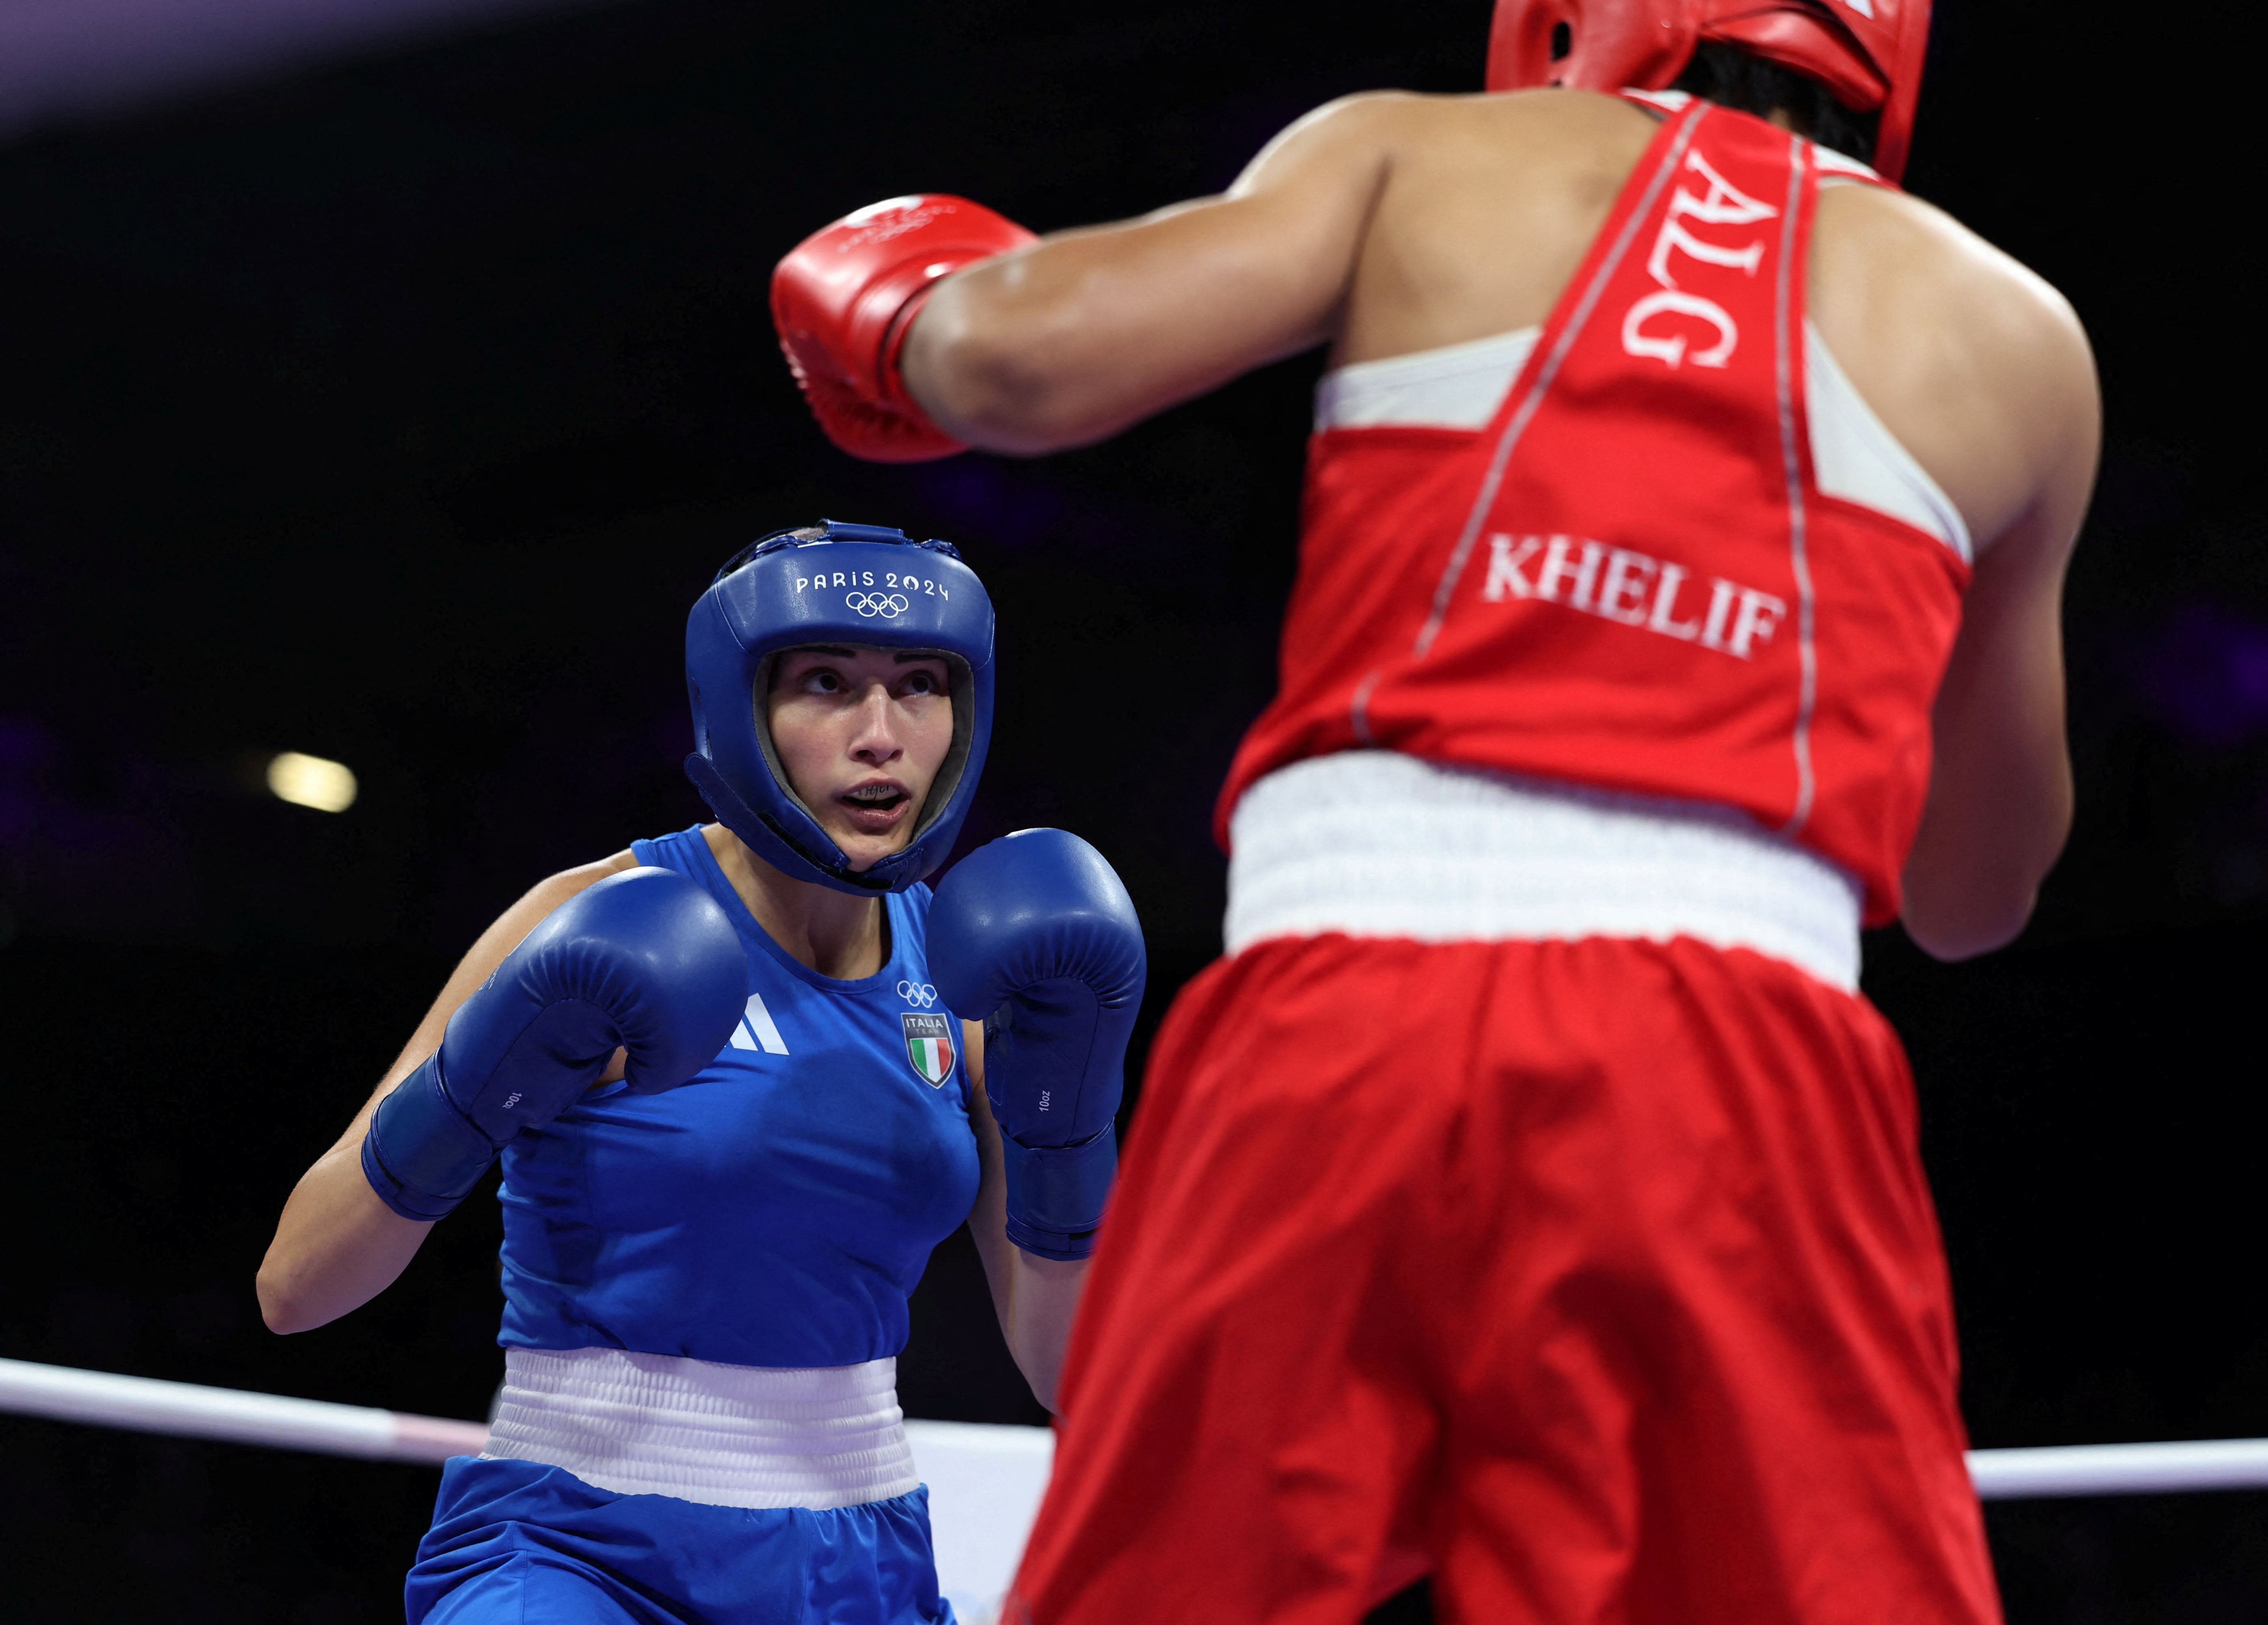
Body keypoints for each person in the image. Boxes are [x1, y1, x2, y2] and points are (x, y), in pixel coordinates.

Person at [768, 0, 2098, 1618]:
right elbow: (1976, 894)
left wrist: (908, 308)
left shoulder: (1421, 152)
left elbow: (1017, 362)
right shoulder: (2021, 339)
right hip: (1740, 1083)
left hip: (1346, 1022)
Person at [255, 521, 1146, 1625]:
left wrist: (1072, 1125)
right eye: (827, 683)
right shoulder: (587, 914)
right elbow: (297, 1288)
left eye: (920, 686)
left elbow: (1073, 1381)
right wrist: (476, 1090)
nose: (882, 736)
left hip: (860, 1561)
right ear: (741, 706)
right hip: (575, 1545)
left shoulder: (970, 979)